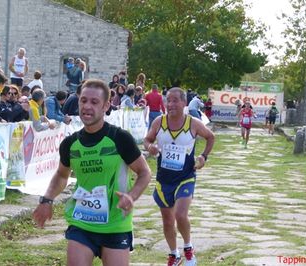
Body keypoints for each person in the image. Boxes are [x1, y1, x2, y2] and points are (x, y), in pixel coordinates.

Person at [33, 79, 151, 266]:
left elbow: (144, 172)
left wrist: (132, 196)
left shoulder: (120, 138)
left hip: (115, 223)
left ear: (106, 106)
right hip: (82, 222)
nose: (87, 106)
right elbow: (62, 175)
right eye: (83, 100)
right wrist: (47, 199)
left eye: (94, 102)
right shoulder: (70, 143)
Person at [144, 87, 214, 266]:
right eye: (168, 100)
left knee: (181, 215)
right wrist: (149, 147)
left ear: (184, 103)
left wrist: (203, 157)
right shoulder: (159, 122)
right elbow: (147, 139)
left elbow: (210, 137)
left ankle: (188, 249)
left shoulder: (193, 123)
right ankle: (174, 255)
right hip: (163, 180)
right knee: (167, 221)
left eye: (175, 100)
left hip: (186, 177)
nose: (171, 104)